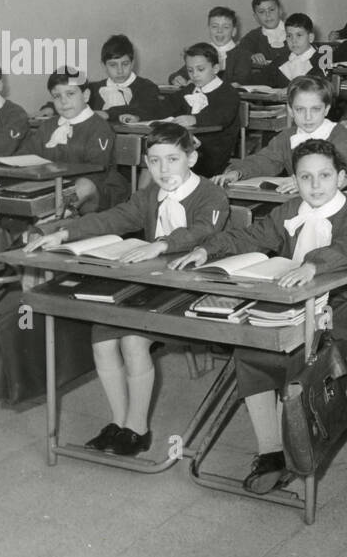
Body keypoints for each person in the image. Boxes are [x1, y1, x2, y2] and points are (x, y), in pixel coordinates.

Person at [171, 140, 347, 494]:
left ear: (342, 179)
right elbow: (253, 235)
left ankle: (298, 447)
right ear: (295, 181)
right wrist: (206, 248)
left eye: (324, 176)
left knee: (301, 362)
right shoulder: (289, 210)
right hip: (291, 306)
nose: (315, 186)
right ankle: (271, 451)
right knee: (251, 351)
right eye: (305, 177)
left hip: (342, 313)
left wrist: (313, 265)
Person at [23, 123, 230, 456]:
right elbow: (113, 217)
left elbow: (203, 229)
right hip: (151, 281)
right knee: (103, 340)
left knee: (134, 341)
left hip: (194, 287)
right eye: (154, 161)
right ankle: (118, 422)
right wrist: (63, 233)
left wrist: (161, 245)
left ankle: (138, 428)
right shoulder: (149, 193)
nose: (163, 169)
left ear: (191, 158)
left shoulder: (210, 193)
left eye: (173, 159)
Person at [215, 76, 347, 189]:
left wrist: (308, 180)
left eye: (315, 109)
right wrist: (238, 172)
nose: (308, 117)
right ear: (290, 110)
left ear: (326, 109)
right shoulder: (287, 136)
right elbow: (264, 160)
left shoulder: (339, 135)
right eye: (300, 109)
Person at [21, 68, 128, 213]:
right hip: (55, 186)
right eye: (57, 96)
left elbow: (95, 170)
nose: (63, 101)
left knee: (83, 186)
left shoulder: (99, 127)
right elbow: (27, 156)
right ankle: (44, 224)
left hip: (99, 191)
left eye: (70, 94)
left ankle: (51, 222)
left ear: (85, 95)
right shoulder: (48, 126)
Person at [159, 43, 243, 178]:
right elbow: (165, 106)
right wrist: (137, 116)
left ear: (215, 68)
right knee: (156, 156)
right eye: (190, 70)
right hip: (188, 148)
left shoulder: (228, 93)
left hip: (213, 154)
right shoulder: (189, 90)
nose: (195, 75)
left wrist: (195, 119)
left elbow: (222, 116)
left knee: (165, 160)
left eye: (200, 69)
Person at [87, 34, 163, 124]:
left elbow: (146, 109)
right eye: (113, 65)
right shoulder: (92, 89)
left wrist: (108, 113)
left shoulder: (147, 87)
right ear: (104, 66)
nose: (120, 71)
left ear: (132, 63)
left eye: (125, 64)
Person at [168, 7, 248, 86]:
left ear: (234, 31)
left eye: (225, 27)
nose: (219, 31)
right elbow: (178, 74)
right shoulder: (202, 51)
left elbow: (240, 81)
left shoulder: (243, 55)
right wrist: (176, 78)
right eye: (214, 27)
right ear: (209, 29)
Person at [248, 13, 325, 88]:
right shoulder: (282, 60)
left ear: (311, 37)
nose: (293, 40)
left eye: (299, 35)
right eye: (289, 36)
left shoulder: (322, 61)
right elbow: (260, 79)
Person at [236, 0, 289, 75]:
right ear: (256, 17)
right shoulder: (253, 36)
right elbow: (239, 52)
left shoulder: (294, 31)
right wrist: (251, 56)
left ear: (280, 11)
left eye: (271, 10)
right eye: (261, 12)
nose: (268, 15)